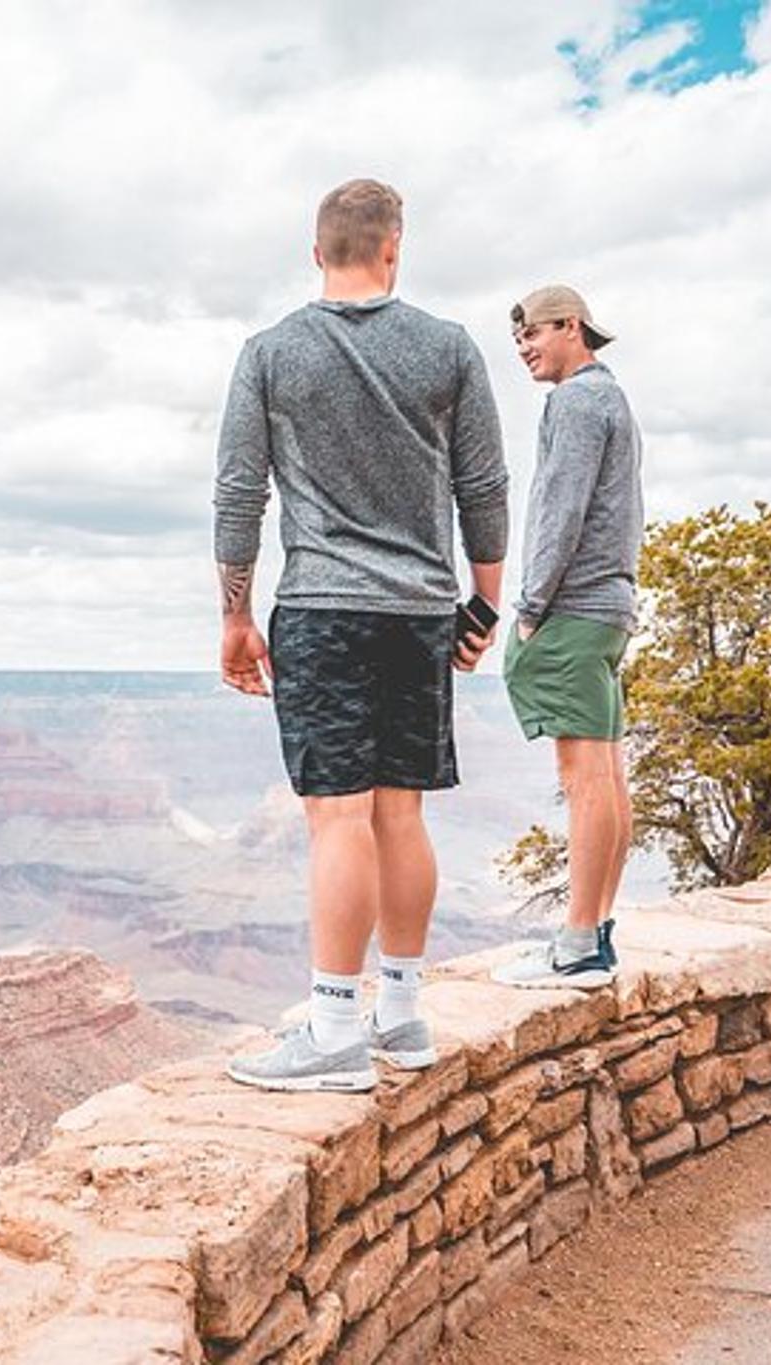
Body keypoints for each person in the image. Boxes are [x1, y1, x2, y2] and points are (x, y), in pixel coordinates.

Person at [214, 178, 509, 1091]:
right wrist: (483, 608)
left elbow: (239, 493)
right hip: (421, 612)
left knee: (338, 816)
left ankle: (336, 1028)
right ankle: (404, 1014)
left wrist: (233, 614)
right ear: (393, 249)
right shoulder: (448, 348)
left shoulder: (270, 353)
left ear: (317, 253)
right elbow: (485, 488)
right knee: (401, 813)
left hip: (323, 609)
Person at [490, 285, 643, 990]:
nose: (524, 348)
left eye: (534, 334)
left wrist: (528, 608)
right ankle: (597, 930)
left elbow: (562, 508)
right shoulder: (611, 398)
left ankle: (577, 944)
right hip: (607, 608)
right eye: (517, 338)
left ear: (571, 326)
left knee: (583, 778)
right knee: (608, 772)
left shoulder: (576, 401)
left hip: (572, 608)